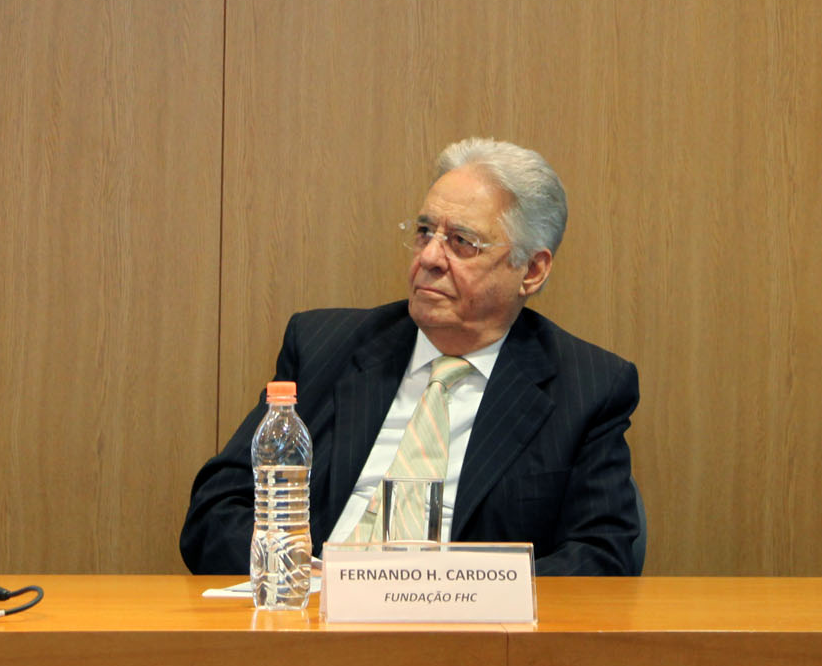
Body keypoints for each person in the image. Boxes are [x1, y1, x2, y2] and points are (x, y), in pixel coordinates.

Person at [181, 138, 644, 576]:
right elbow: (218, 509)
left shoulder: (588, 388)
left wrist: (462, 599)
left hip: (466, 627)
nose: (430, 257)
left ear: (532, 270)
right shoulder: (325, 347)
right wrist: (302, 580)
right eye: (425, 232)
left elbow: (600, 555)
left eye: (462, 241)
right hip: (308, 611)